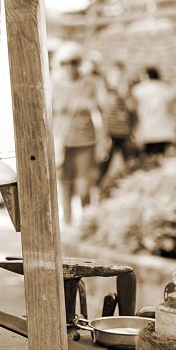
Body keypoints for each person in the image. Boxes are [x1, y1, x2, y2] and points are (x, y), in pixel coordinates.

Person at [50, 42, 108, 224]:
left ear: (79, 63)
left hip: (86, 140)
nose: (69, 67)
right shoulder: (52, 84)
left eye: (74, 62)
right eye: (64, 62)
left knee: (84, 185)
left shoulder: (91, 84)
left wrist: (104, 139)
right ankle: (67, 223)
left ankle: (85, 221)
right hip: (61, 141)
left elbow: (104, 111)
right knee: (64, 183)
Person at [131, 67, 176, 158]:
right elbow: (173, 108)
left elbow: (133, 108)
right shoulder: (166, 89)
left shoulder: (138, 90)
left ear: (146, 76)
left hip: (147, 130)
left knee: (148, 159)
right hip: (164, 130)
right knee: (161, 157)